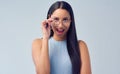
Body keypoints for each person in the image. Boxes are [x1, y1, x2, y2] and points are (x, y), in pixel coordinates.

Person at [32, 1, 91, 74]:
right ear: (49, 19)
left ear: (71, 21)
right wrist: (45, 37)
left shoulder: (81, 46)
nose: (60, 25)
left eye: (65, 19)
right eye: (56, 19)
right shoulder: (38, 44)